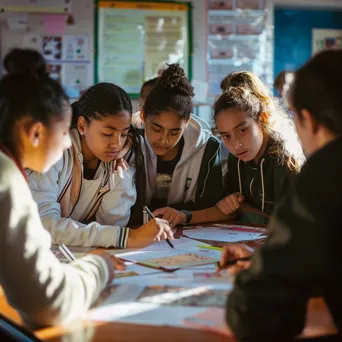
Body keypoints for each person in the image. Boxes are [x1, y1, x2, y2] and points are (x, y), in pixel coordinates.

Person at [221, 49, 342, 340]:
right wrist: (270, 260)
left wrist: (262, 276)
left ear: (308, 120)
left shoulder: (324, 172)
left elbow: (260, 315)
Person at [0, 73, 125, 328]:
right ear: (36, 132)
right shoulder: (6, 179)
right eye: (64, 133)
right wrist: (99, 267)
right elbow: (48, 302)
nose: (68, 143)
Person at [28, 82, 173, 248]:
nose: (116, 144)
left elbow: (112, 226)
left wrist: (120, 181)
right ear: (82, 125)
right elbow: (45, 226)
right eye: (107, 134)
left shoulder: (121, 158)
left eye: (123, 134)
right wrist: (126, 237)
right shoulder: (56, 153)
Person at [155, 71, 304, 226]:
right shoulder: (237, 159)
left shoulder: (285, 159)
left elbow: (294, 224)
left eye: (242, 130)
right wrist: (183, 216)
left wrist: (244, 209)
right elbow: (229, 210)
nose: (236, 144)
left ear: (263, 119)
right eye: (225, 135)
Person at [136, 63, 223, 226]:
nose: (164, 140)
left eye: (174, 132)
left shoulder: (207, 148)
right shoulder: (129, 142)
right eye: (156, 129)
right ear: (142, 116)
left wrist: (183, 214)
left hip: (190, 235)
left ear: (187, 122)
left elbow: (211, 206)